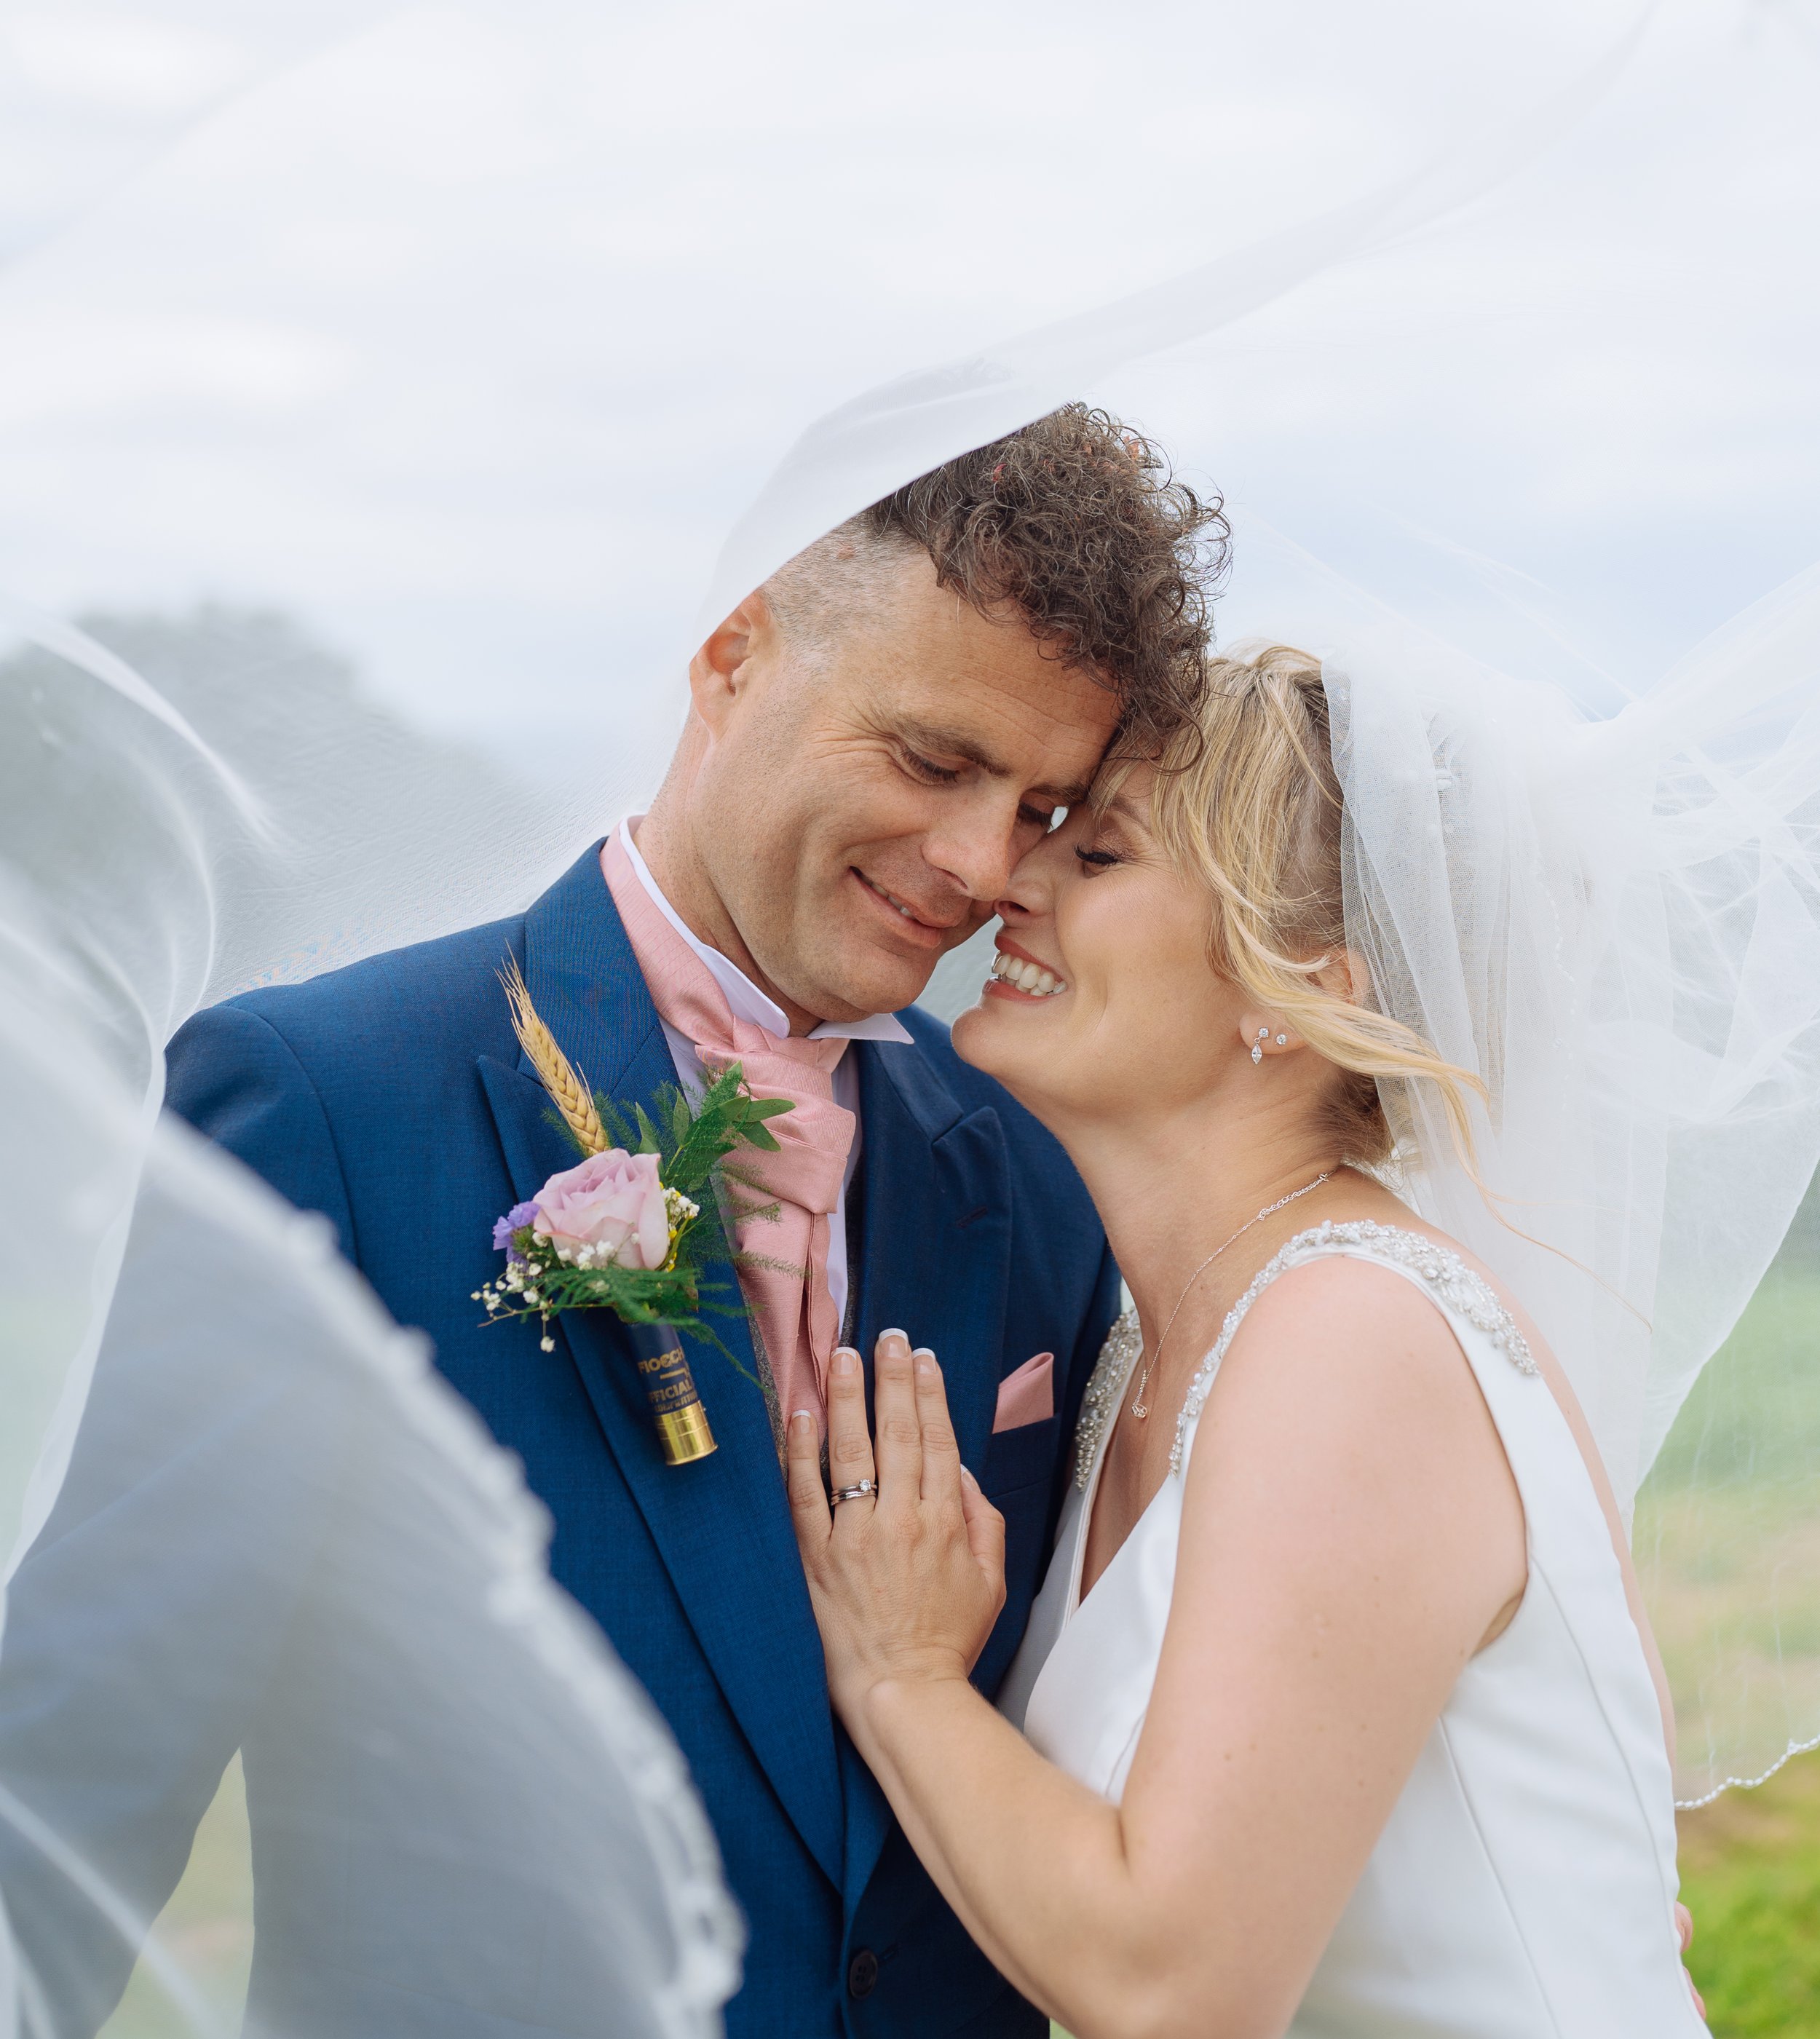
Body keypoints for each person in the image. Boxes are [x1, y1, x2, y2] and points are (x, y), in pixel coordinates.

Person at [148, 408, 1224, 2037]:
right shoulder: (320, 1106)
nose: (976, 864)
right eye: (935, 761)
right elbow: (95, 1748)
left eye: (1041, 808)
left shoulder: (1036, 1167)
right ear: (732, 658)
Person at [788, 643, 1718, 2037]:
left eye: (1096, 856)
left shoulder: (1350, 1341)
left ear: (1294, 987)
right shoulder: (1161, 1347)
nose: (1009, 882)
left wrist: (900, 1673)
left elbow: (1179, 1988)